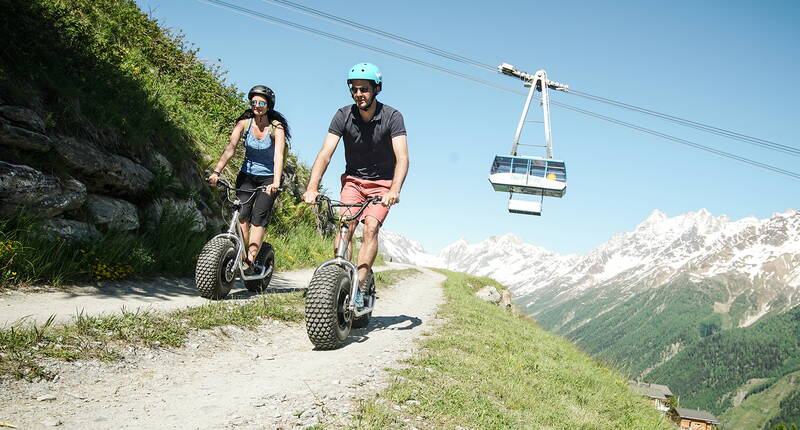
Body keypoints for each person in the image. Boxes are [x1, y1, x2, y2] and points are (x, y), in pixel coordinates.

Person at [302, 63, 409, 308]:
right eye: (354, 89)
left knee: (370, 228)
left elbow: (402, 157)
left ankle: (359, 287)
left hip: (382, 184)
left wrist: (394, 190)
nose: (358, 94)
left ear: (376, 89)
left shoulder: (393, 117)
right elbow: (325, 153)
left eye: (364, 89)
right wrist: (312, 186)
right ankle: (341, 276)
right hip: (353, 181)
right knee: (344, 227)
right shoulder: (342, 115)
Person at [209, 85, 290, 274]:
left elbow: (278, 156)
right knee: (242, 215)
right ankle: (242, 254)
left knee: (258, 219)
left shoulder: (276, 127)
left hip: (269, 178)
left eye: (261, 103)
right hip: (247, 175)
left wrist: (275, 182)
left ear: (268, 105)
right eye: (254, 102)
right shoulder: (244, 123)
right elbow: (231, 148)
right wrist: (216, 171)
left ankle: (251, 260)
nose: (257, 106)